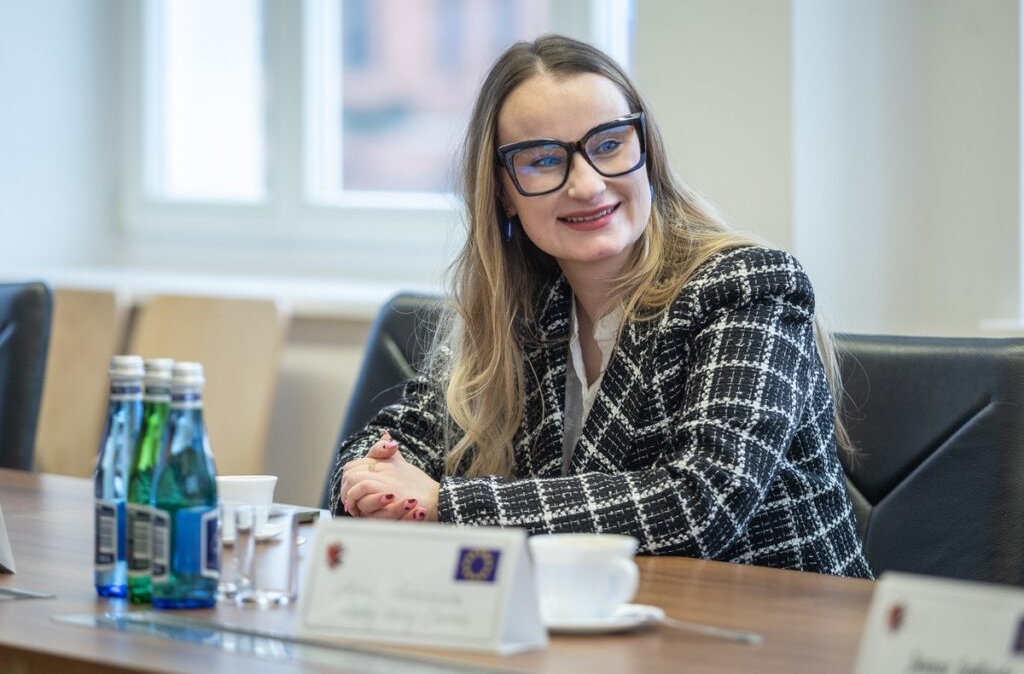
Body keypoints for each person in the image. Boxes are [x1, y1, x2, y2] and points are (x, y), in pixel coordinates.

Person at [328, 34, 872, 578]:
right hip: (588, 635)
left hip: (781, 641)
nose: (587, 186)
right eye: (543, 160)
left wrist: (446, 503)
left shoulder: (749, 285)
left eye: (608, 145)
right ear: (502, 191)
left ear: (646, 151)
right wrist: (369, 483)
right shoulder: (519, 310)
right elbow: (393, 443)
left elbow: (699, 504)